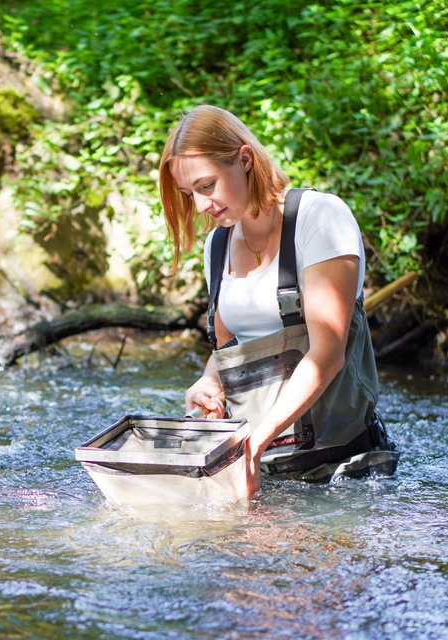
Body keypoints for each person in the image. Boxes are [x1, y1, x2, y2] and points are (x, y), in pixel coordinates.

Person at [158, 105, 396, 500]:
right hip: (259, 472)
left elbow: (328, 353)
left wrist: (253, 445)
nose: (200, 206)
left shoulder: (319, 218)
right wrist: (206, 384)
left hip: (339, 475)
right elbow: (227, 348)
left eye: (206, 186)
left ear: (245, 159)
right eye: (189, 194)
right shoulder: (217, 245)